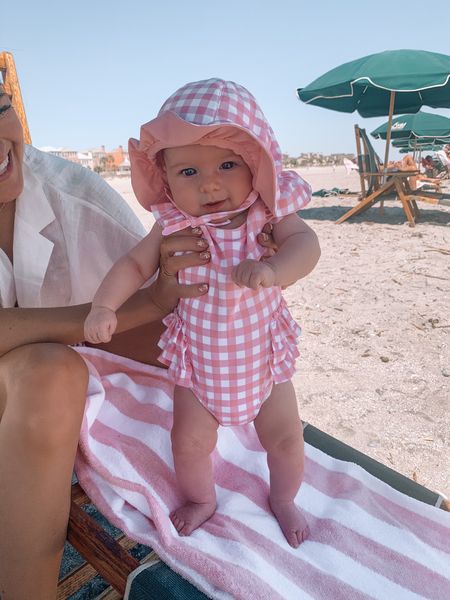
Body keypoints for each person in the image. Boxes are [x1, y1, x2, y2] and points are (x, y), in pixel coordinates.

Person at [0, 83, 278, 600]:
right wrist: (118, 312)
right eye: (190, 170)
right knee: (47, 371)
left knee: (49, 375)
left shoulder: (76, 198)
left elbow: (157, 333)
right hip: (43, 383)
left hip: (56, 396)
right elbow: (139, 308)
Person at [84, 78, 321, 548]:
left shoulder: (266, 215)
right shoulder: (174, 223)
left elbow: (307, 246)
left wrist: (274, 268)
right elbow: (134, 264)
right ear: (166, 179)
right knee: (188, 443)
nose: (210, 182)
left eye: (227, 164)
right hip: (200, 369)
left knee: (287, 440)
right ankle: (201, 499)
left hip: (265, 366)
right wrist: (103, 305)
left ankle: (285, 497)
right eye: (188, 172)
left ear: (256, 164)